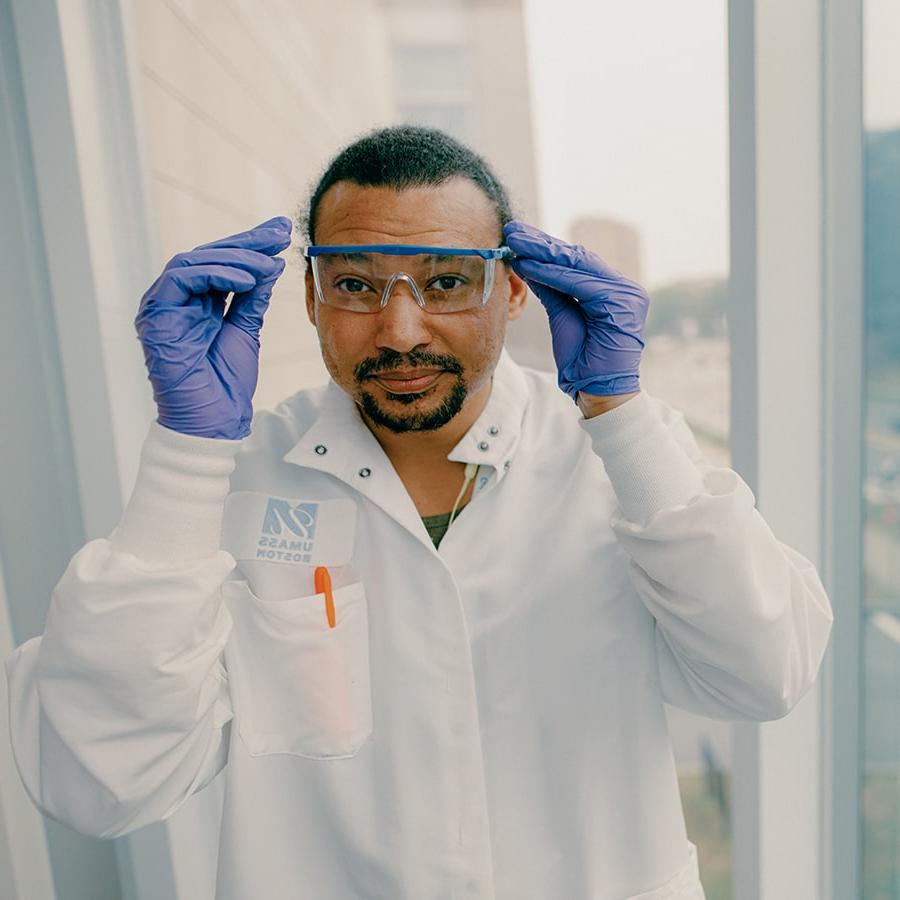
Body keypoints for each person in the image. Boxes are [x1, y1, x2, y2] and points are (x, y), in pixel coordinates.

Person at [4, 125, 833, 900]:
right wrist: (186, 450)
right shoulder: (229, 482)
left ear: (512, 290)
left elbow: (766, 673)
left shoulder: (624, 462)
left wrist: (619, 410)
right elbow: (99, 781)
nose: (401, 331)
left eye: (445, 281)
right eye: (357, 285)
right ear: (311, 298)